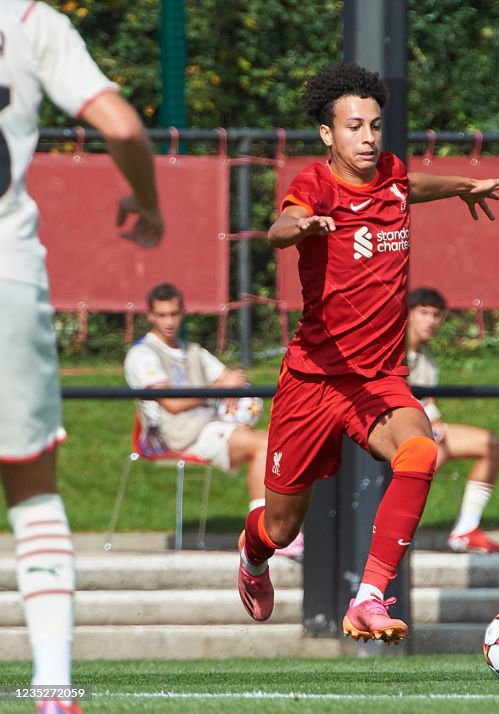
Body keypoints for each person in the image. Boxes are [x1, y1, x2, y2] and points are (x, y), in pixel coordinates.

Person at [236, 62, 499, 644]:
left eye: (375, 126)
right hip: (313, 380)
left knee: (420, 451)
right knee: (282, 527)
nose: (367, 137)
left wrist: (464, 187)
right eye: (354, 126)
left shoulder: (391, 175)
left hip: (378, 379)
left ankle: (368, 595)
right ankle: (253, 554)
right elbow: (278, 229)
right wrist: (301, 226)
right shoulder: (314, 184)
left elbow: (413, 187)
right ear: (327, 134)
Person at [0, 3, 163, 712]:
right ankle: (53, 685)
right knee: (32, 490)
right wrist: (148, 204)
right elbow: (122, 125)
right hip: (6, 275)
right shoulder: (30, 18)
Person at [123, 284, 303, 560]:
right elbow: (171, 403)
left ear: (183, 313)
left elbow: (233, 378)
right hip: (173, 435)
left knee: (275, 441)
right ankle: (265, 534)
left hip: (206, 425)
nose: (169, 322)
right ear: (150, 316)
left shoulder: (192, 350)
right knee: (264, 444)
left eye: (174, 314)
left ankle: (271, 528)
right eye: (162, 315)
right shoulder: (142, 354)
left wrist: (228, 390)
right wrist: (215, 387)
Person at [406, 287, 499, 554]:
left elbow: (428, 403)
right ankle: (391, 534)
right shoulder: (391, 352)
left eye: (436, 315)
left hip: (426, 431)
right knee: (428, 458)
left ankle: (466, 530)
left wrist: (434, 424)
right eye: (424, 313)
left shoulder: (427, 360)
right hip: (398, 435)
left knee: (493, 445)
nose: (431, 320)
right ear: (406, 316)